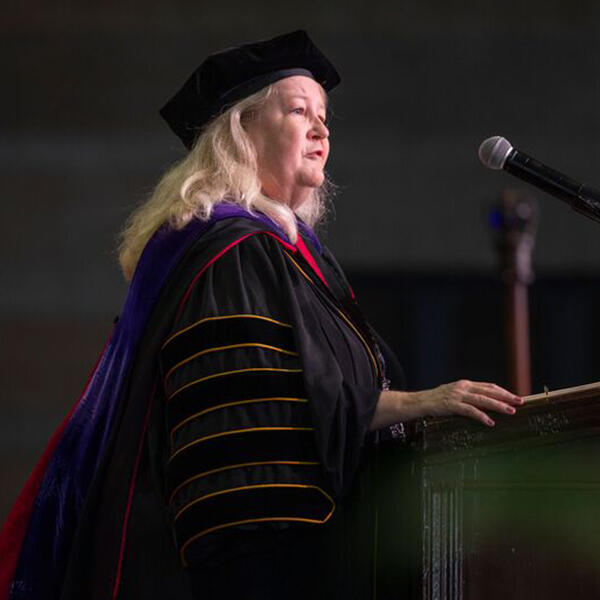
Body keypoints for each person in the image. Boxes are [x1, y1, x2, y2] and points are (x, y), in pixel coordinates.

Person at [0, 30, 522, 600]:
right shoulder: (230, 250)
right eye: (300, 110)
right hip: (267, 560)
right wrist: (416, 403)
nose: (322, 129)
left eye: (325, 116)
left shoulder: (294, 259)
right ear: (240, 132)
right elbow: (257, 413)